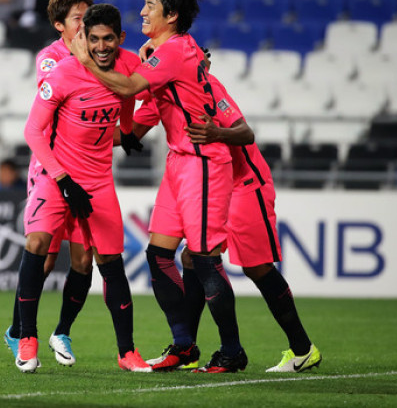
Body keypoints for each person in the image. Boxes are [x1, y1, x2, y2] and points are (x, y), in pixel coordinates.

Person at [71, 0, 246, 373]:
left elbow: (131, 84)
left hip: (203, 162)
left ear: (172, 14)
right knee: (158, 254)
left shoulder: (175, 53)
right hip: (179, 162)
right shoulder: (172, 53)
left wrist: (85, 62)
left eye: (151, 5)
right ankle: (184, 344)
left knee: (204, 259)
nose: (142, 10)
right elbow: (139, 116)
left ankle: (233, 350)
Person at [127, 52, 323, 373]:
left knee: (256, 268)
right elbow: (130, 134)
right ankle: (185, 348)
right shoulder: (162, 95)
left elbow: (245, 133)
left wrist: (216, 133)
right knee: (194, 257)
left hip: (245, 183)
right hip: (213, 184)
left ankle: (302, 349)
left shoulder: (208, 87)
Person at [16, 4, 150, 373]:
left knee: (110, 262)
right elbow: (32, 131)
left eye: (109, 39)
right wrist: (61, 178)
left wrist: (126, 130)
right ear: (83, 39)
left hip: (98, 181)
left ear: (121, 39)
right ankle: (27, 339)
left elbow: (130, 97)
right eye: (94, 39)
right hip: (55, 175)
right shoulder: (62, 73)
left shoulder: (128, 65)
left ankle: (127, 353)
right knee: (37, 244)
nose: (102, 46)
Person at [4, 0, 98, 367]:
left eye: (88, 17)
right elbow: (56, 89)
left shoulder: (100, 55)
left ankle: (63, 332)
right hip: (50, 167)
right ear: (60, 25)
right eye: (78, 18)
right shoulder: (51, 57)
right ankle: (21, 333)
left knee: (83, 259)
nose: (85, 25)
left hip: (88, 172)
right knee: (41, 250)